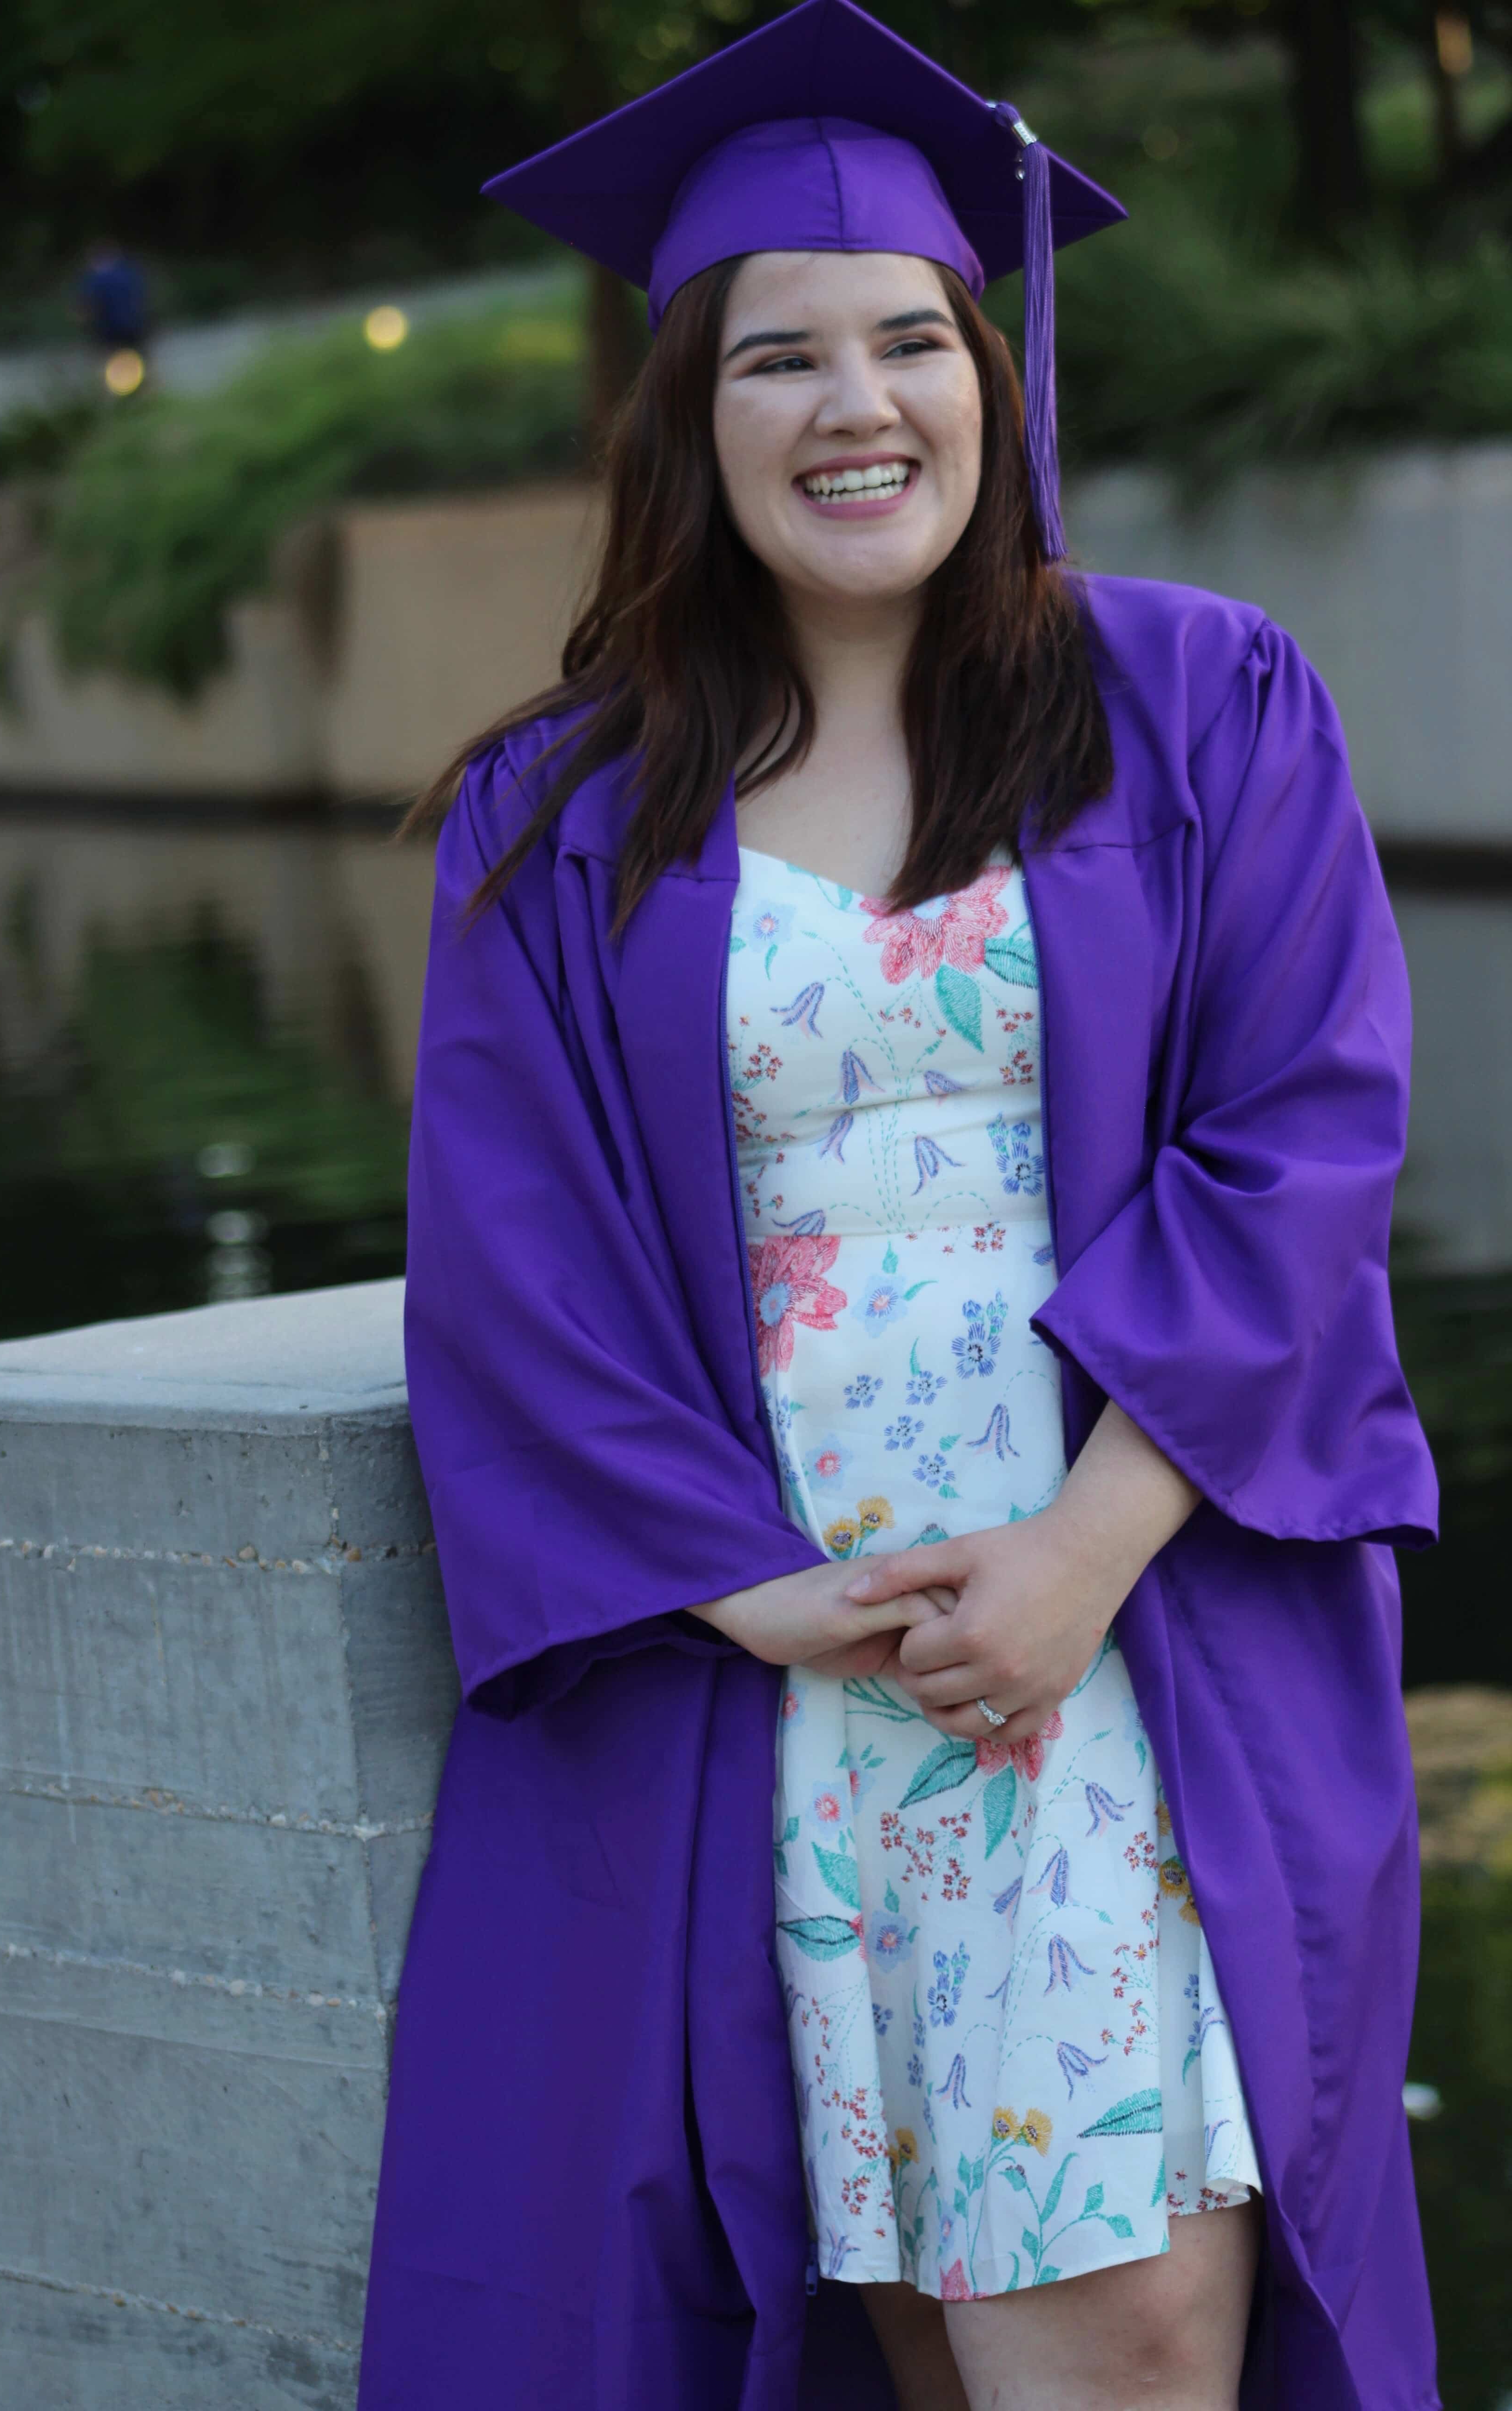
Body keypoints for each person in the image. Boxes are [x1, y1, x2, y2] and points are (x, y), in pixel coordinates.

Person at [358, 5, 1439, 2407]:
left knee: (1143, 2313)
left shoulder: (1195, 700)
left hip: (1125, 1611)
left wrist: (1069, 1563)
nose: (856, 404)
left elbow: (1303, 1138)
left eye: (908, 341)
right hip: (773, 1644)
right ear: (686, 420)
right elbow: (512, 1248)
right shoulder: (561, 818)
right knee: (911, 2311)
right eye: (779, 359)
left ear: (992, 371)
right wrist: (754, 1597)